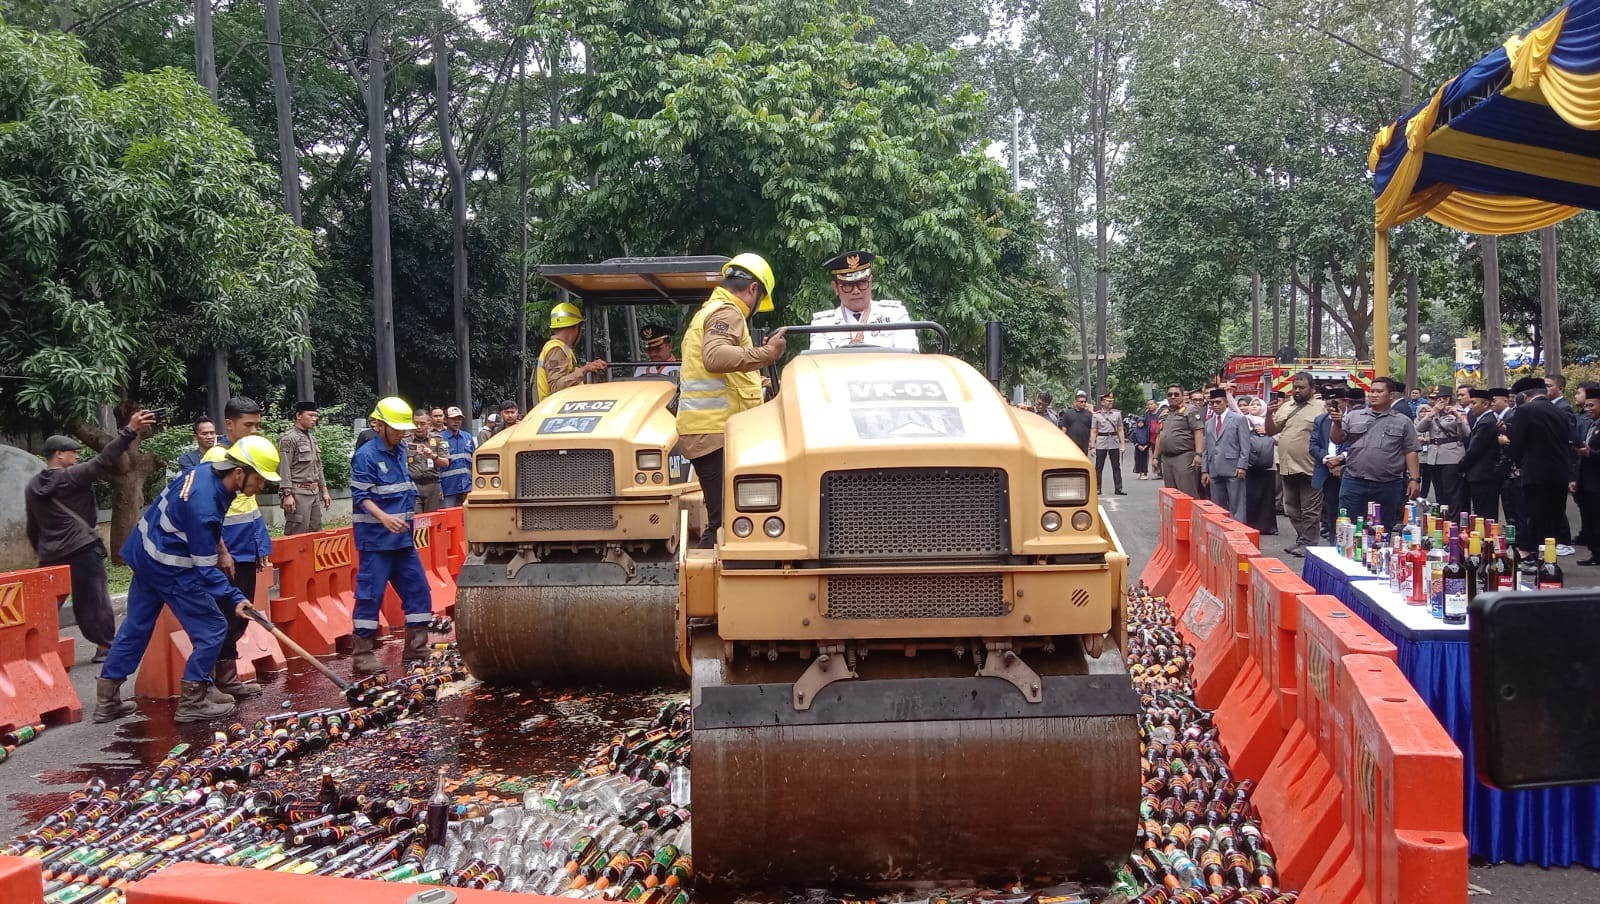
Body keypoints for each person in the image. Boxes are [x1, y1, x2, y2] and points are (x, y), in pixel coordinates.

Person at [95, 435, 280, 723]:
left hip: (146, 554)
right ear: (240, 472)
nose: (262, 486)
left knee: (137, 625)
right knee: (213, 627)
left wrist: (221, 549)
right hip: (169, 565)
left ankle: (107, 699)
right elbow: (205, 571)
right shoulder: (203, 504)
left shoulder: (206, 473)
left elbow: (208, 533)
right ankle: (193, 699)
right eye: (260, 479)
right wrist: (235, 598)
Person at [26, 410, 158, 662]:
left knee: (46, 603)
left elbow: (33, 524)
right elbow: (104, 459)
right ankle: (106, 646)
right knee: (94, 600)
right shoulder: (72, 477)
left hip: (50, 553)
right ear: (59, 455)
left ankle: (36, 647)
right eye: (72, 452)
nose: (76, 456)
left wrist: (41, 550)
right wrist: (129, 429)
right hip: (82, 549)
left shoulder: (33, 485)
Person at [677, 253, 787, 548]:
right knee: (724, 524)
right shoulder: (729, 312)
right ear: (753, 289)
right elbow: (715, 358)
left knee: (723, 520)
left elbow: (729, 375)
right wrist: (768, 355)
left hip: (707, 432)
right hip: (715, 434)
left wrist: (766, 382)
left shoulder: (708, 312)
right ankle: (704, 590)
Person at [350, 397, 435, 673]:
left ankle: (416, 648)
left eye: (403, 429)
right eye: (396, 428)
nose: (401, 433)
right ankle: (363, 654)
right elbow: (360, 496)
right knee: (370, 595)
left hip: (402, 541)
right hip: (376, 542)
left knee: (418, 589)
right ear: (380, 425)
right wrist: (384, 518)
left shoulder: (399, 450)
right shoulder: (366, 456)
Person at [200, 396, 274, 700]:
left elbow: (250, 504)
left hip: (247, 543)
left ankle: (227, 677)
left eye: (258, 425)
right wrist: (220, 551)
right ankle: (215, 681)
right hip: (227, 548)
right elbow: (210, 509)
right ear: (229, 424)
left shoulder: (250, 452)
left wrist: (260, 543)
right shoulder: (219, 456)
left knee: (238, 613)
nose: (254, 431)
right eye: (248, 425)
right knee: (225, 614)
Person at [1330, 376, 1419, 532]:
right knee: (1348, 527)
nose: (1373, 395)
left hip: (1388, 483)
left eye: (1379, 391)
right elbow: (1337, 439)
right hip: (1354, 481)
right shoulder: (1353, 416)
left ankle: (1378, 555)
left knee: (1382, 530)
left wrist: (1414, 479)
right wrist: (1336, 422)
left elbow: (1410, 450)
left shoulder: (1403, 421)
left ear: (1391, 395)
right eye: (1371, 391)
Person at [1507, 375, 1575, 557]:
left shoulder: (1526, 410)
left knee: (1534, 517)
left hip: (1536, 474)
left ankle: (1531, 556)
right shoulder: (1560, 410)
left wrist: (1514, 457)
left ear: (1525, 395)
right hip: (1559, 474)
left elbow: (1517, 444)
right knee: (1553, 518)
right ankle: (1549, 559)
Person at [808, 250, 918, 350]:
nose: (856, 291)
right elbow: (819, 362)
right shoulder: (822, 324)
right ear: (835, 288)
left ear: (870, 282)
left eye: (862, 283)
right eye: (847, 285)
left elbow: (908, 357)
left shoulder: (895, 314)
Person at [1266, 372, 1321, 555]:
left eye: (1302, 387)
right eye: (1295, 387)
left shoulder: (1321, 408)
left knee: (1310, 510)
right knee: (1292, 508)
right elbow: (1271, 430)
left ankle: (1310, 544)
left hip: (1309, 467)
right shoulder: (1286, 406)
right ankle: (1302, 539)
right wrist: (1268, 413)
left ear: (1312, 389)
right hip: (1287, 466)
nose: (1297, 391)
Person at [278, 401, 330, 536]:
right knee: (297, 533)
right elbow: (284, 468)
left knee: (316, 533)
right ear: (299, 416)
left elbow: (318, 466)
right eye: (311, 415)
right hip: (298, 493)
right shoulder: (289, 439)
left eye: (316, 416)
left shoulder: (311, 439)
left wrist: (324, 490)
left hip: (313, 493)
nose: (314, 419)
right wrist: (287, 494)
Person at [537, 303, 608, 402]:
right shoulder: (556, 349)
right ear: (576, 327)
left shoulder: (561, 348)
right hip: (555, 411)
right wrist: (585, 369)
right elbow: (556, 387)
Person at [1201, 388, 1251, 521]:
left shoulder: (1238, 419)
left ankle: (1238, 530)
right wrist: (1204, 470)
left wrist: (1242, 465)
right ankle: (1220, 531)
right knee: (1217, 505)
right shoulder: (1209, 422)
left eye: (1218, 402)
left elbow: (1245, 445)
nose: (1215, 405)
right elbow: (1206, 447)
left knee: (1237, 504)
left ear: (1226, 402)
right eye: (1212, 403)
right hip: (1214, 468)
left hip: (1234, 467)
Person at [1416, 387, 1467, 508]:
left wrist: (1458, 418)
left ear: (1447, 399)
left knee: (1451, 491)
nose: (1434, 402)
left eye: (1438, 399)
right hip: (1434, 455)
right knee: (1439, 491)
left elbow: (1465, 433)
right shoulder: (1432, 412)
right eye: (1434, 399)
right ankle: (1441, 518)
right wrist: (1431, 414)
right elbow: (1420, 428)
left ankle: (1453, 519)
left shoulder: (1458, 411)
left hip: (1451, 455)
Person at [1460, 389, 1501, 521]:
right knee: (1481, 512)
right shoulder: (1483, 419)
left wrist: (1461, 466)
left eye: (1474, 403)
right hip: (1482, 473)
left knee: (1484, 513)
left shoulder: (1487, 422)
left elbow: (1475, 449)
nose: (1471, 406)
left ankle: (1486, 539)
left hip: (1483, 474)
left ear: (1485, 404)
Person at [1156, 384, 1205, 496]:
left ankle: (1191, 514)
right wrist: (1155, 457)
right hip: (1167, 458)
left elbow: (1198, 432)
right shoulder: (1165, 413)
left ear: (1183, 396)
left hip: (1184, 456)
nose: (1173, 397)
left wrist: (1198, 454)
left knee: (1187, 492)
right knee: (1171, 494)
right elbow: (1160, 436)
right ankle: (1175, 514)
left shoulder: (1190, 410)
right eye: (1170, 394)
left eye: (1176, 394)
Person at [1571, 382, 1600, 565]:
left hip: (1597, 482)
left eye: (1592, 405)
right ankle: (1595, 552)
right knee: (1590, 520)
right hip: (1586, 481)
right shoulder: (1590, 424)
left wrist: (1589, 452)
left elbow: (1590, 451)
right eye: (1586, 405)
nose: (1588, 409)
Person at [1241, 398, 1278, 535]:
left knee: (1267, 498)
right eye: (1253, 404)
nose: (1255, 406)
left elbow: (1280, 437)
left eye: (1258, 404)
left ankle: (1266, 526)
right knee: (1249, 496)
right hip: (1250, 464)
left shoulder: (1271, 421)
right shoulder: (1243, 419)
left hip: (1268, 466)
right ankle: (1249, 524)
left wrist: (1268, 432)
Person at [1311, 389, 1344, 540]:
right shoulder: (1320, 420)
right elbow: (1313, 446)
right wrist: (1328, 460)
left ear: (1345, 402)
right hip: (1327, 471)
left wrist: (1340, 459)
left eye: (1335, 404)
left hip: (1349, 471)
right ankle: (1333, 541)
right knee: (1331, 509)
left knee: (1347, 511)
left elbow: (1357, 445)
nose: (1331, 408)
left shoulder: (1354, 419)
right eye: (1329, 404)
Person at [407, 408, 450, 513]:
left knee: (433, 520)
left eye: (422, 424)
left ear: (429, 424)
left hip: (432, 485)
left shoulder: (437, 439)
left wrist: (432, 455)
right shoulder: (405, 440)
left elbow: (446, 463)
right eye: (415, 423)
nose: (418, 427)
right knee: (417, 521)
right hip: (413, 485)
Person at [438, 406, 476, 507]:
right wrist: (439, 487)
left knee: (468, 519)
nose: (457, 422)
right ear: (446, 420)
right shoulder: (440, 439)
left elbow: (475, 461)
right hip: (448, 488)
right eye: (453, 419)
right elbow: (435, 467)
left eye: (459, 419)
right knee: (449, 520)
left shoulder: (467, 437)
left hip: (467, 487)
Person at [1091, 394, 1127, 495]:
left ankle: (1118, 488)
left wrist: (1122, 444)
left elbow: (1120, 429)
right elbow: (1094, 431)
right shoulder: (1096, 415)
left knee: (1116, 466)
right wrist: (1092, 446)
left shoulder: (1117, 414)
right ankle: (1097, 488)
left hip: (1113, 441)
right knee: (1099, 467)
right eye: (1108, 401)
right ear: (1102, 402)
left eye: (1111, 401)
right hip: (1101, 441)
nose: (1110, 403)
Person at [1061, 390, 1093, 456]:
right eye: (1081, 401)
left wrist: (1091, 444)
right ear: (1076, 402)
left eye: (1085, 402)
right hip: (1071, 445)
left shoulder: (1089, 415)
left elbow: (1092, 430)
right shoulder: (1068, 414)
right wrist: (1062, 442)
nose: (1083, 403)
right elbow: (1064, 429)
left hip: (1084, 445)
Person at [1133, 398, 1158, 480]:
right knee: (1140, 459)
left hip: (1154, 439)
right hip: (1143, 444)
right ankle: (1141, 473)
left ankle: (1156, 472)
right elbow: (1133, 437)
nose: (1150, 406)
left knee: (1157, 456)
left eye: (1151, 404)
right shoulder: (1147, 415)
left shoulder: (1160, 413)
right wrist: (1137, 444)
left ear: (1155, 404)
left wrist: (1147, 444)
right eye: (1148, 404)